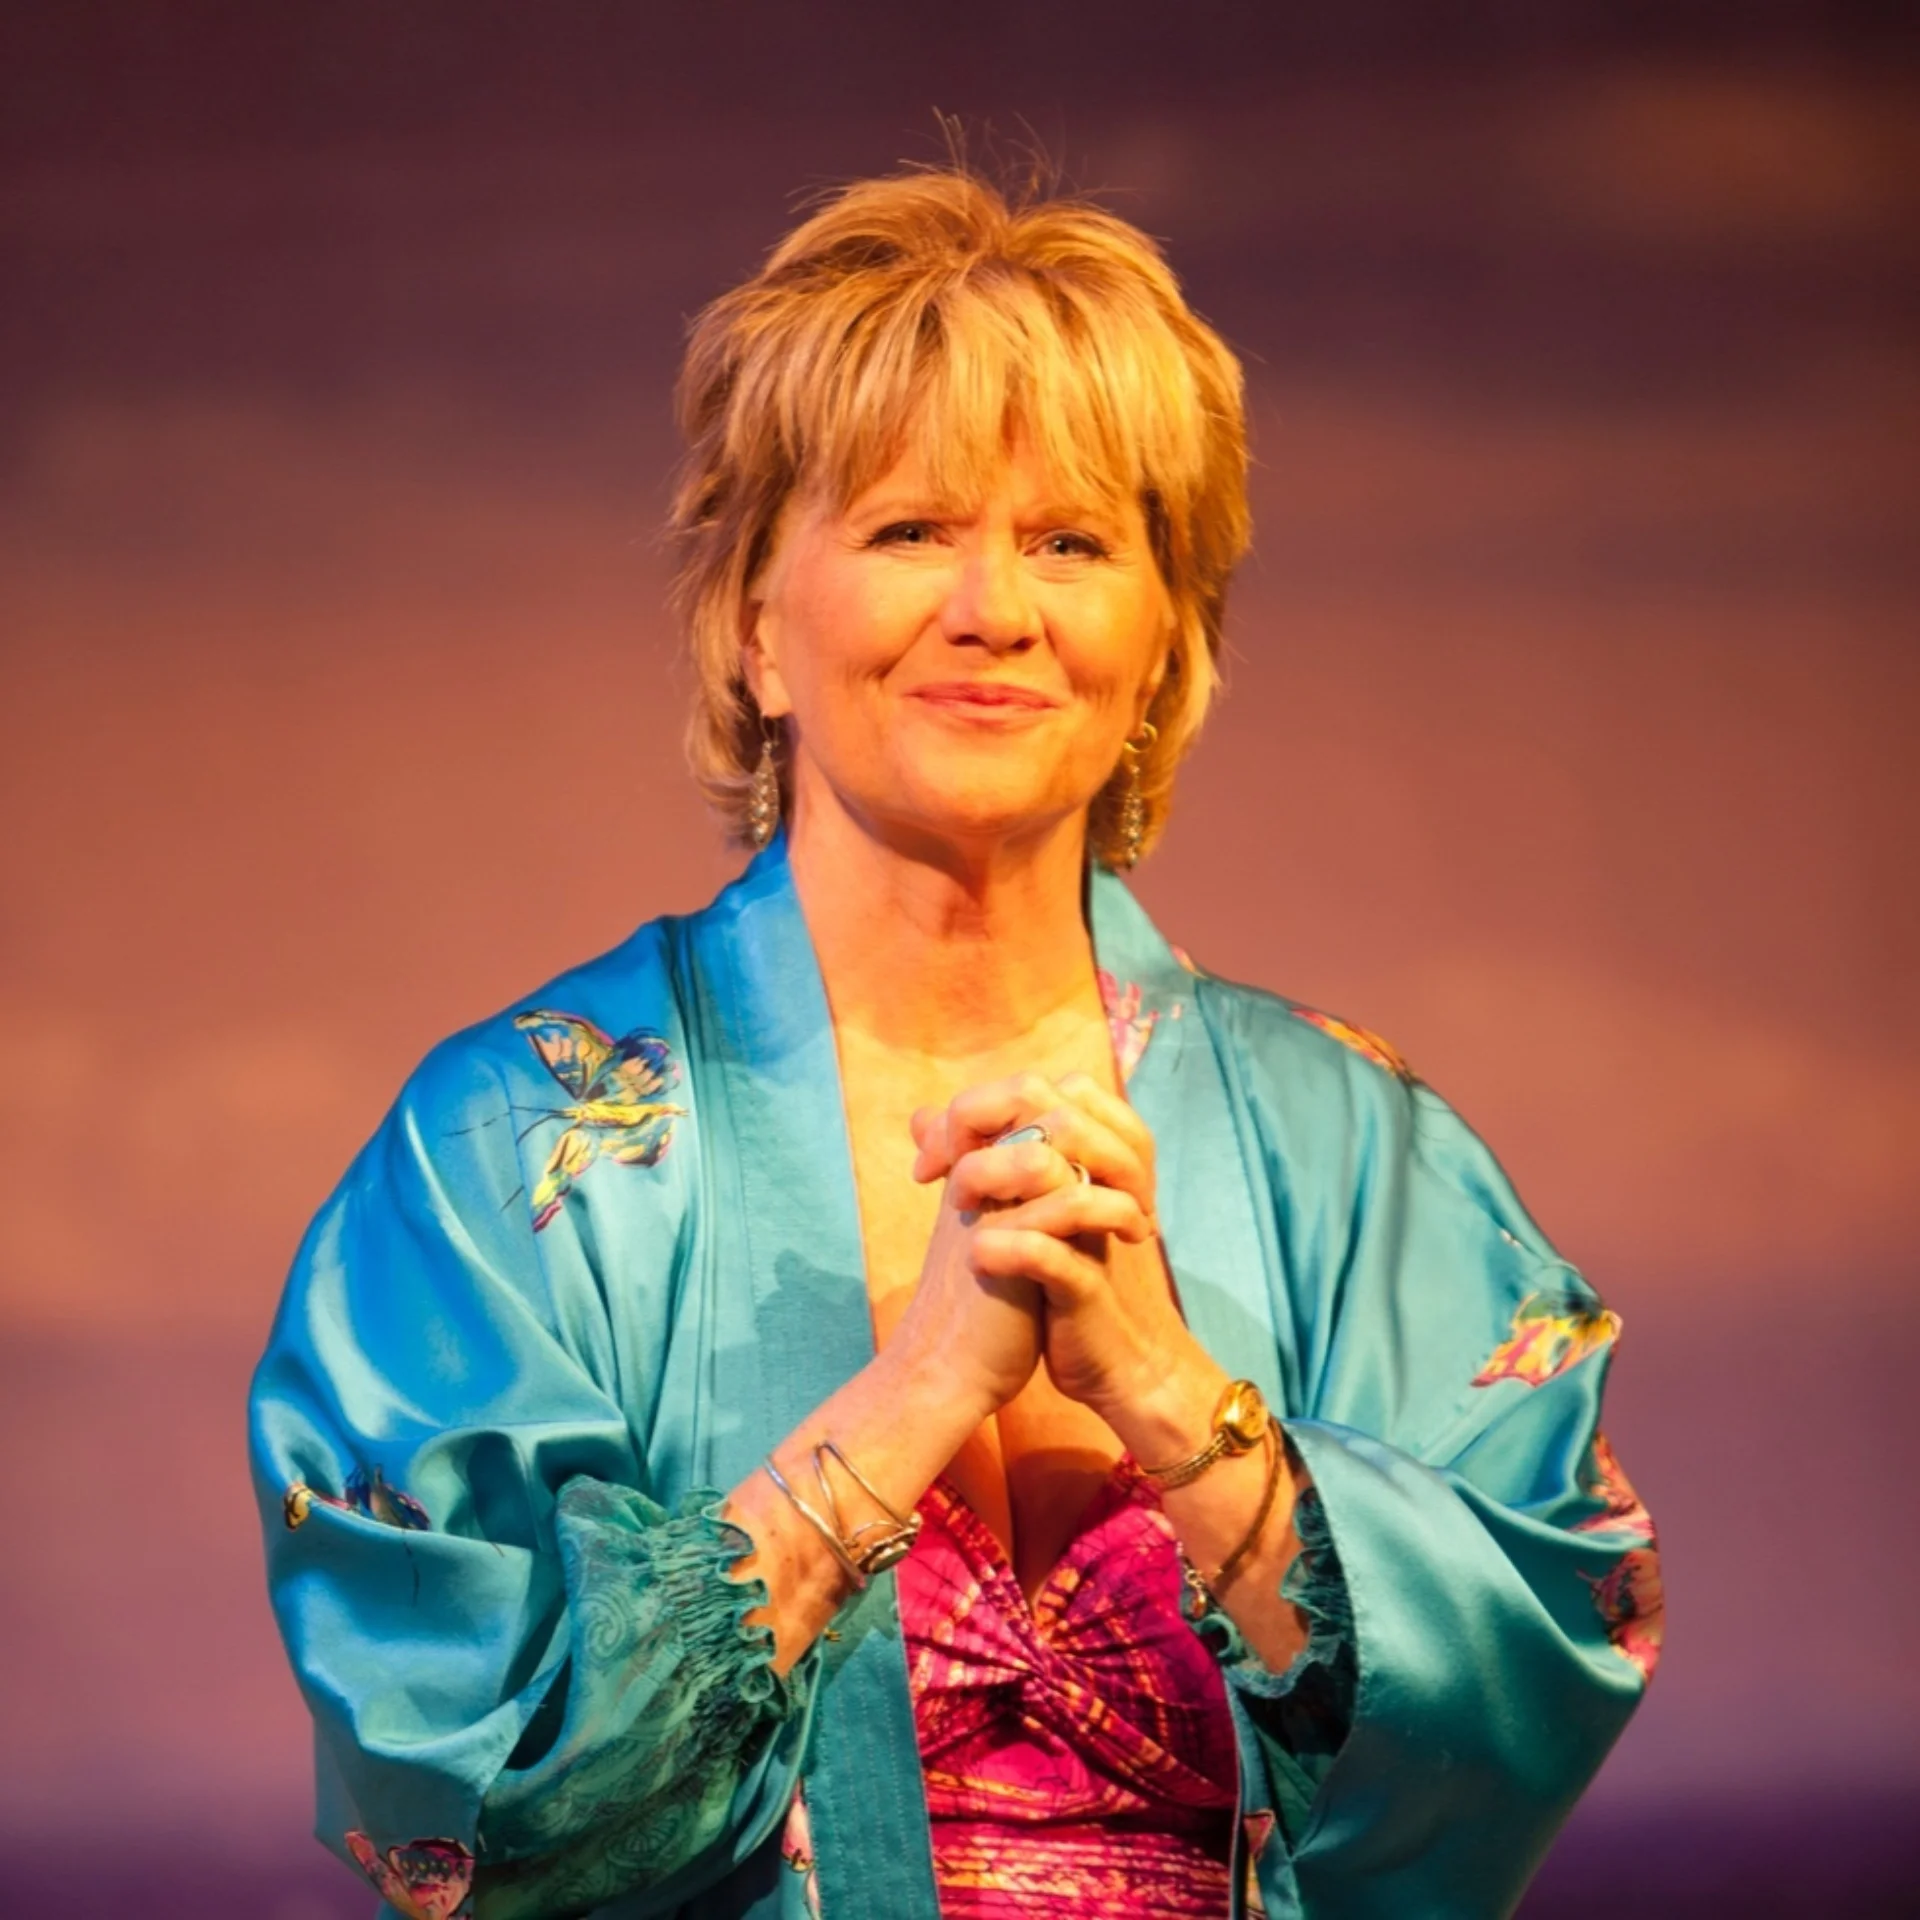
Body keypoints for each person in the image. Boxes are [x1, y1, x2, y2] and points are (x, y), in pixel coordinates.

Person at [250, 167, 1662, 1920]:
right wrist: (914, 1397)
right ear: (753, 628)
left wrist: (1167, 1390)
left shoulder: (1358, 1157)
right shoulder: (495, 1163)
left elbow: (1543, 1671)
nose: (996, 606)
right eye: (913, 528)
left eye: (1072, 542)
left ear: (1165, 647)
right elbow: (464, 1794)